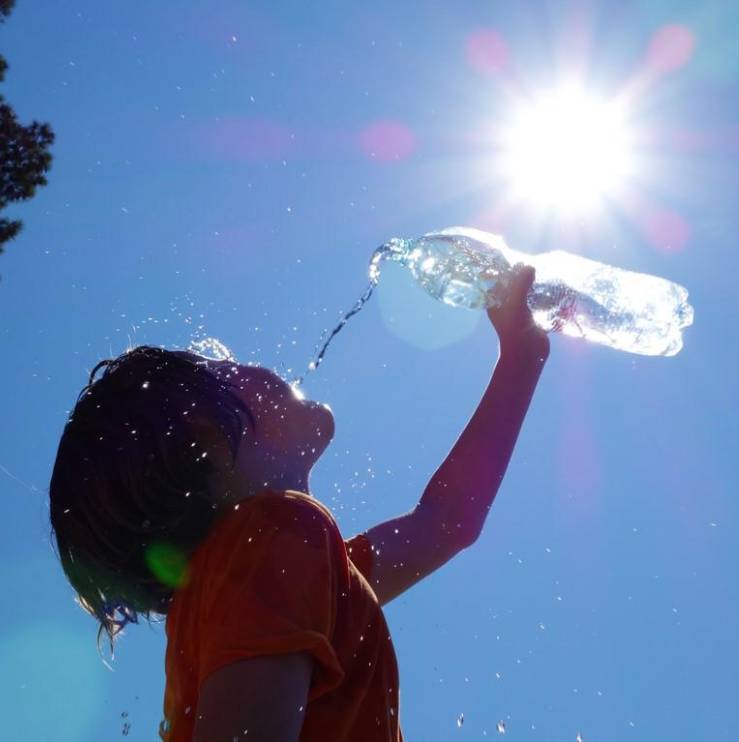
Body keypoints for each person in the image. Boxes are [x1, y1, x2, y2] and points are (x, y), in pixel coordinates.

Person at [48, 265, 549, 741]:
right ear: (207, 441)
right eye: (224, 370)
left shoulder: (276, 577)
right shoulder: (270, 540)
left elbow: (447, 521)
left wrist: (522, 356)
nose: (251, 365)